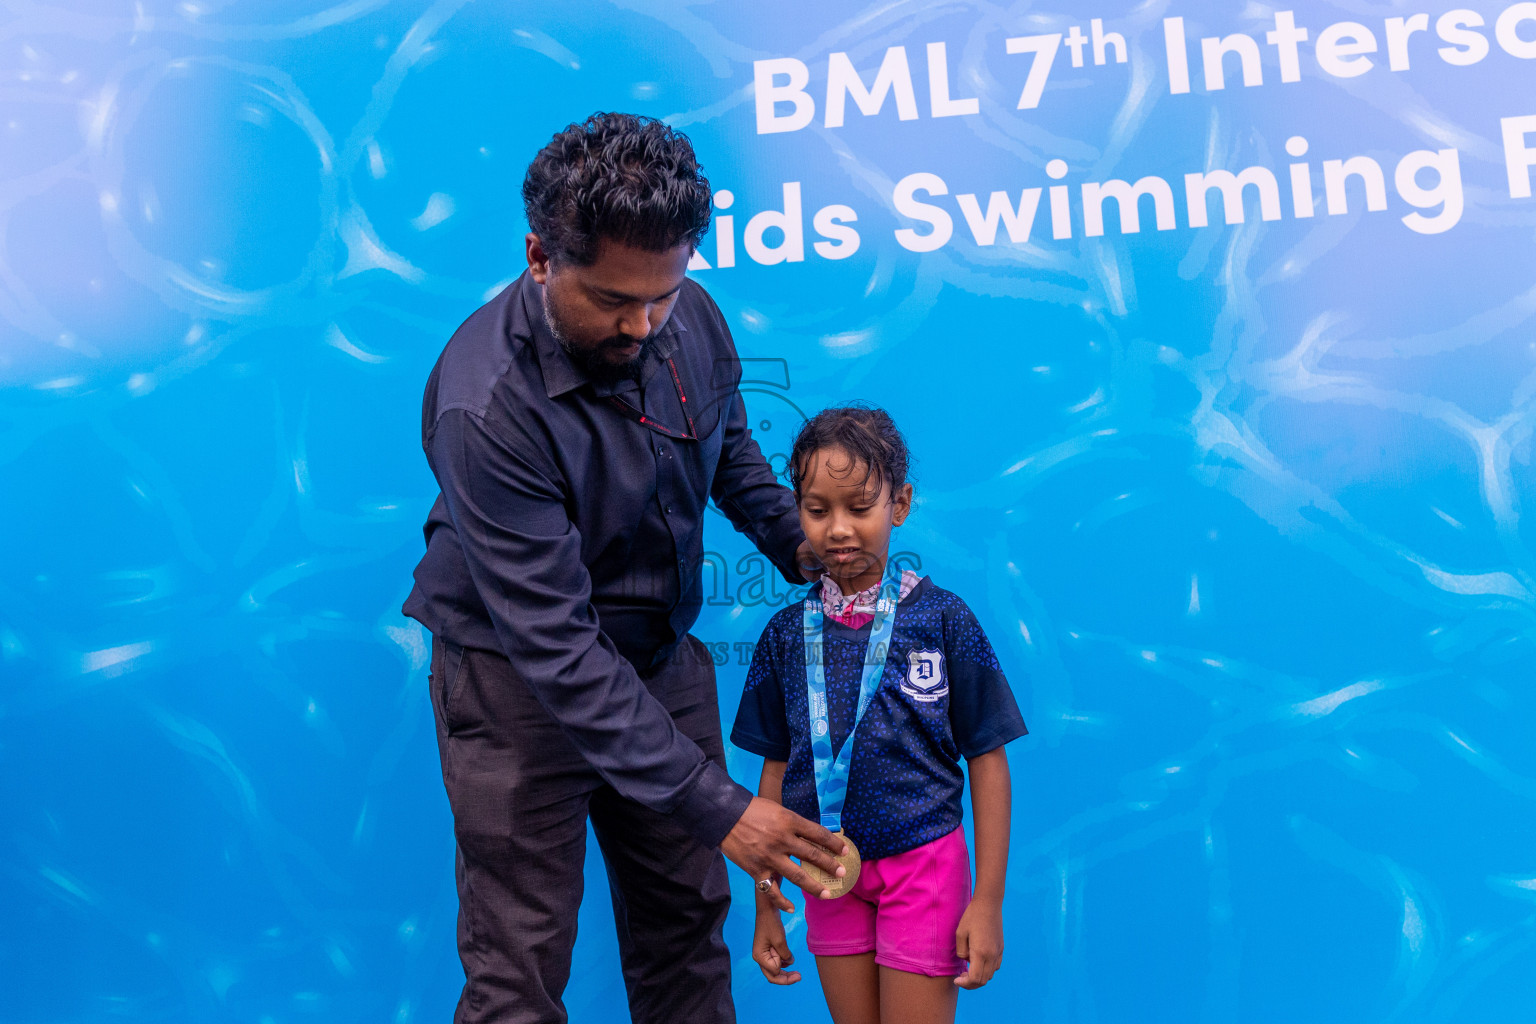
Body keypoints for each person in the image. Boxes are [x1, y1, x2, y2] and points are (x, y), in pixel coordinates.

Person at [402, 112, 850, 1024]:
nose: (644, 326)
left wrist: (802, 550)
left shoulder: (688, 317)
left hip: (656, 660)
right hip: (517, 686)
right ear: (539, 256)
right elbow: (557, 649)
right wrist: (720, 807)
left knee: (687, 930)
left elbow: (727, 449)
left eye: (664, 296)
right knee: (518, 970)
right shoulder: (483, 408)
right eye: (612, 301)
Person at [731, 407, 1028, 1024]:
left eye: (859, 506)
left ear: (901, 503)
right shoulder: (786, 635)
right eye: (817, 510)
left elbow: (989, 762)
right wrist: (766, 898)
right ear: (798, 510)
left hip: (924, 867)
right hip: (825, 868)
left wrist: (989, 901)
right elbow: (775, 773)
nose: (839, 529)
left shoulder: (943, 620)